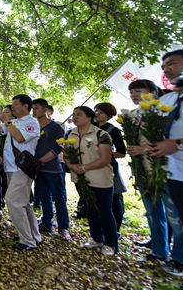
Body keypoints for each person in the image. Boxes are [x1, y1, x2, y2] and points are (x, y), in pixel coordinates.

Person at [147, 49, 183, 277]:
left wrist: (178, 144)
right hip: (174, 174)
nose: (167, 70)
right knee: (180, 220)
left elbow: (175, 142)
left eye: (172, 63)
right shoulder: (167, 99)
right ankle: (182, 260)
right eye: (163, 67)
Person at [126, 79, 170, 263]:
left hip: (165, 169)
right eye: (131, 92)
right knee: (153, 211)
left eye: (138, 90)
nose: (134, 95)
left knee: (173, 213)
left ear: (153, 91)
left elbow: (171, 141)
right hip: (142, 170)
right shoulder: (132, 115)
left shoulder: (163, 111)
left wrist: (145, 150)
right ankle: (159, 248)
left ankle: (174, 254)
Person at [0, 95, 41, 251]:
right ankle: (34, 236)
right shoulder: (14, 122)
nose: (12, 108)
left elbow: (19, 137)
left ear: (26, 106)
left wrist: (7, 121)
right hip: (11, 168)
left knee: (12, 201)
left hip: (22, 168)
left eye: (15, 105)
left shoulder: (31, 122)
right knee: (23, 204)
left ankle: (27, 241)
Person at [65, 106, 117, 256]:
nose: (75, 117)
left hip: (100, 178)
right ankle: (96, 238)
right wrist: (70, 165)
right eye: (74, 115)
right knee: (90, 209)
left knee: (105, 211)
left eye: (79, 115)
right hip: (80, 179)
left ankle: (111, 243)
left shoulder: (101, 134)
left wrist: (85, 167)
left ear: (89, 117)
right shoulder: (70, 133)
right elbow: (66, 153)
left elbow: (106, 158)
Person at [32, 98, 70, 241]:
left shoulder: (55, 127)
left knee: (59, 199)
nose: (34, 111)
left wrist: (41, 160)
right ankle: (46, 222)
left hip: (53, 169)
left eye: (36, 108)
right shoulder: (33, 126)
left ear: (46, 110)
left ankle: (63, 227)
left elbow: (57, 147)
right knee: (43, 197)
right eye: (33, 108)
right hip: (38, 170)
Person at [94, 102, 127, 235]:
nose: (96, 114)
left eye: (100, 112)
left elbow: (122, 152)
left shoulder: (113, 130)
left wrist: (105, 153)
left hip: (109, 168)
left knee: (113, 199)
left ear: (108, 115)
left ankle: (115, 230)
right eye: (95, 110)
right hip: (92, 167)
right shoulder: (91, 127)